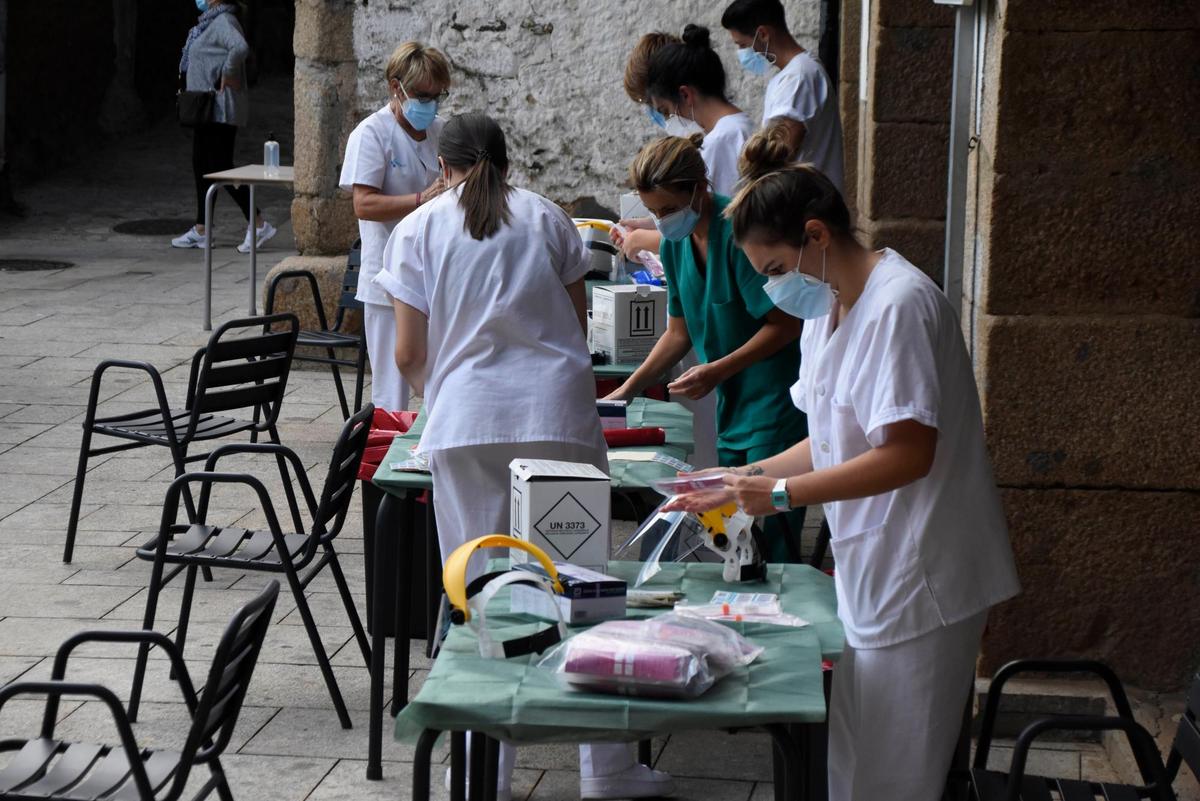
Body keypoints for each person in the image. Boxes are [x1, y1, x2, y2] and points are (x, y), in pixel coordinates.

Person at [668, 155, 1021, 800]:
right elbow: (829, 437)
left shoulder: (900, 306)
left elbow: (907, 453)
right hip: (875, 566)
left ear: (817, 235)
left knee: (894, 772)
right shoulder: (826, 308)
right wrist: (738, 478)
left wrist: (777, 496)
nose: (773, 288)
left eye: (775, 269)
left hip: (925, 572)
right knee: (854, 762)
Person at [374, 112, 674, 801]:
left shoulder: (418, 229)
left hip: (466, 423)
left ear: (442, 166)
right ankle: (608, 768)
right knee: (579, 589)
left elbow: (408, 354)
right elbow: (573, 325)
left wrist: (446, 394)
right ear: (507, 163)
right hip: (555, 416)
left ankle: (481, 772)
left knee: (479, 597)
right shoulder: (548, 219)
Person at [605, 135, 808, 560]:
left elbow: (786, 324)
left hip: (773, 402)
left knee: (773, 541)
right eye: (654, 212)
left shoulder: (739, 234)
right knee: (739, 539)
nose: (661, 221)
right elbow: (677, 332)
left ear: (699, 189)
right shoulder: (679, 244)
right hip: (732, 406)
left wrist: (718, 369)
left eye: (667, 209)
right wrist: (628, 390)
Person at [339, 41, 450, 412]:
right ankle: (378, 465)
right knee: (392, 391)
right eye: (422, 95)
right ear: (395, 87)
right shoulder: (372, 134)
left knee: (438, 378)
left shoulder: (440, 131)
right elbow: (364, 203)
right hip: (387, 277)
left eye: (437, 96)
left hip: (434, 277)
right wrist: (421, 200)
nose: (429, 105)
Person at [171, 0, 277, 253]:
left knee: (219, 166)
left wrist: (228, 72)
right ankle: (201, 228)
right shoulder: (208, 23)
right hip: (205, 107)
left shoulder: (223, 21)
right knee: (202, 164)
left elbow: (239, 47)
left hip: (219, 107)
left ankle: (258, 222)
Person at [721, 0, 845, 192]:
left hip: (804, 208)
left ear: (762, 34)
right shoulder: (796, 73)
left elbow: (777, 155)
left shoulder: (799, 78)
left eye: (743, 45)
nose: (742, 53)